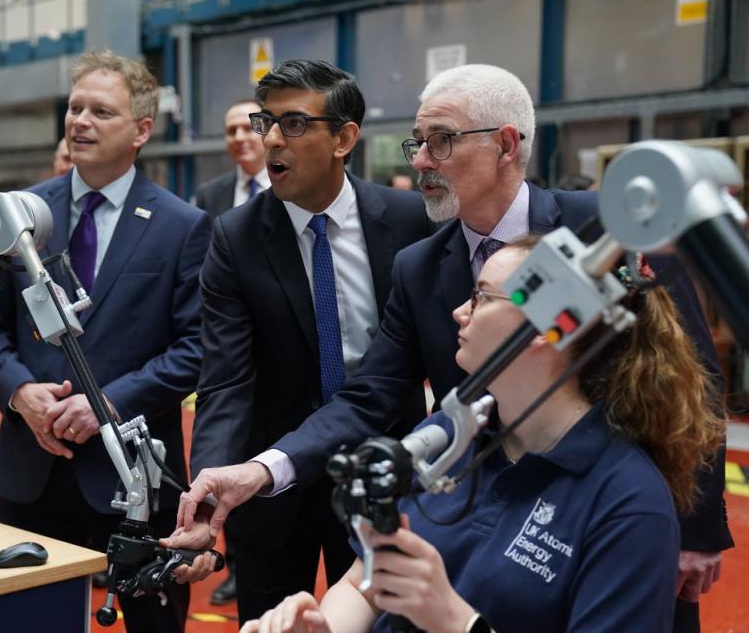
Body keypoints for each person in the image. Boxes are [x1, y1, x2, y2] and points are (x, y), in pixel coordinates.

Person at [176, 64, 732, 632]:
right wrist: (261, 471)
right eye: (418, 143)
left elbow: (691, 377)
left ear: (506, 145)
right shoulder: (420, 264)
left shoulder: (601, 233)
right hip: (480, 498)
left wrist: (696, 530)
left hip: (602, 515)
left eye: (439, 141)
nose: (418, 160)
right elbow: (369, 395)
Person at [239, 238, 726, 633]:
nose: (459, 312)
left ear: (544, 329)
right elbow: (365, 581)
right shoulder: (450, 434)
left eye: (482, 296)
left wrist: (455, 621)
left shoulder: (627, 502)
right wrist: (321, 627)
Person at [0, 50, 212, 633]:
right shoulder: (19, 215)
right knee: (28, 618)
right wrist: (20, 393)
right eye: (75, 107)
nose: (80, 121)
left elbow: (195, 347)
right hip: (34, 466)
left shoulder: (182, 226)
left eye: (100, 111)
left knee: (154, 622)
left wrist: (110, 401)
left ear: (142, 131)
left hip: (134, 473)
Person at [182, 59, 432, 625]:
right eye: (264, 121)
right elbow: (224, 379)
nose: (269, 138)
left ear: (344, 138)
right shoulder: (235, 236)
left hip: (384, 467)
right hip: (270, 482)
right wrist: (211, 489)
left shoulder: (409, 219)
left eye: (292, 124)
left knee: (389, 619)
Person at [191, 98, 271, 606]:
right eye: (230, 129)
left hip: (282, 356)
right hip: (232, 352)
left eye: (249, 126)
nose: (240, 136)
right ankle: (239, 564)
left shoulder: (291, 191)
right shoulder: (212, 196)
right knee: (231, 462)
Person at [194, 99, 269, 219]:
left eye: (248, 128)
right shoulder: (209, 195)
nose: (238, 138)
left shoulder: (290, 189)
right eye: (232, 131)